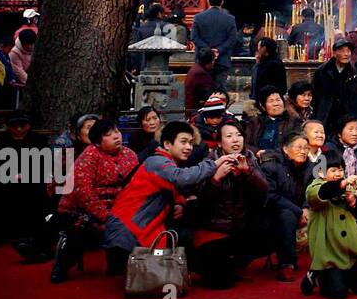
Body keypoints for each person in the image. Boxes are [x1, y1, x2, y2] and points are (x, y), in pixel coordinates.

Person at [103, 120, 229, 274]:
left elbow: (173, 190)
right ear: (167, 144)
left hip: (138, 227)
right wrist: (214, 164)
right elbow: (181, 178)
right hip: (127, 232)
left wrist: (180, 204)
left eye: (190, 142)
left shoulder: (166, 162)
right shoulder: (156, 161)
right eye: (183, 142)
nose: (189, 147)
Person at [50, 118, 138, 282]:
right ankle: (62, 265)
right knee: (82, 228)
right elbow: (84, 193)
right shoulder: (88, 157)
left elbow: (136, 185)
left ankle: (118, 263)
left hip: (119, 206)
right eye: (108, 135)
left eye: (117, 132)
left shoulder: (130, 154)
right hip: (85, 209)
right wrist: (107, 216)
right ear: (97, 142)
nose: (116, 136)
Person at [186, 119, 269, 289]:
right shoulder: (209, 160)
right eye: (229, 136)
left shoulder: (249, 157)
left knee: (272, 225)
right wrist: (215, 179)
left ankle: (235, 264)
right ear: (219, 142)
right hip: (214, 227)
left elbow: (264, 190)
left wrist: (247, 172)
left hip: (241, 225)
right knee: (220, 283)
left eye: (239, 135)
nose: (236, 140)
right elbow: (200, 200)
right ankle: (202, 264)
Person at [299, 148, 357, 299]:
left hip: (350, 251)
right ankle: (316, 274)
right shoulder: (314, 187)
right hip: (329, 252)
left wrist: (353, 201)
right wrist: (341, 185)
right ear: (321, 172)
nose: (339, 174)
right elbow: (320, 194)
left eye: (340, 170)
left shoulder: (349, 187)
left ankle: (343, 276)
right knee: (337, 293)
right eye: (333, 170)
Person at [258, 130, 311, 281]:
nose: (303, 151)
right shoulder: (271, 166)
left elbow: (312, 188)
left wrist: (306, 207)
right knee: (287, 216)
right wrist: (299, 211)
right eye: (298, 147)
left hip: (301, 209)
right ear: (285, 149)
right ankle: (286, 264)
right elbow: (271, 197)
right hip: (272, 211)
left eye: (306, 148)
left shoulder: (310, 166)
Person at [312, 36, 357, 133]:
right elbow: (316, 95)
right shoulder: (322, 71)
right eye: (342, 51)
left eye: (348, 51)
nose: (346, 54)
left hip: (348, 116)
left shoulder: (355, 74)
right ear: (334, 53)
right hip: (327, 116)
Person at [190, 0, 239, 90]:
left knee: (202, 90)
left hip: (203, 60)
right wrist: (218, 50)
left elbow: (194, 37)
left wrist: (208, 50)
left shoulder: (198, 17)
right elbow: (233, 38)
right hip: (222, 60)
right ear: (222, 2)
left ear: (208, 1)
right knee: (219, 91)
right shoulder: (230, 19)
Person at [244, 86, 300, 155]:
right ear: (262, 106)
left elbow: (296, 144)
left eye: (278, 100)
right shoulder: (255, 122)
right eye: (271, 101)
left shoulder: (293, 121)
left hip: (284, 161)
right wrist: (257, 152)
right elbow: (245, 144)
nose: (276, 104)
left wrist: (272, 154)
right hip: (258, 160)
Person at [250, 36, 287, 103]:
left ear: (264, 48)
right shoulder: (263, 61)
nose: (257, 49)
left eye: (259, 47)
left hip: (268, 98)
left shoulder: (274, 63)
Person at [183, 47, 217, 115]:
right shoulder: (200, 73)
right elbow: (205, 94)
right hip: (195, 109)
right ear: (210, 62)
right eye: (213, 60)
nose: (214, 62)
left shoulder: (197, 68)